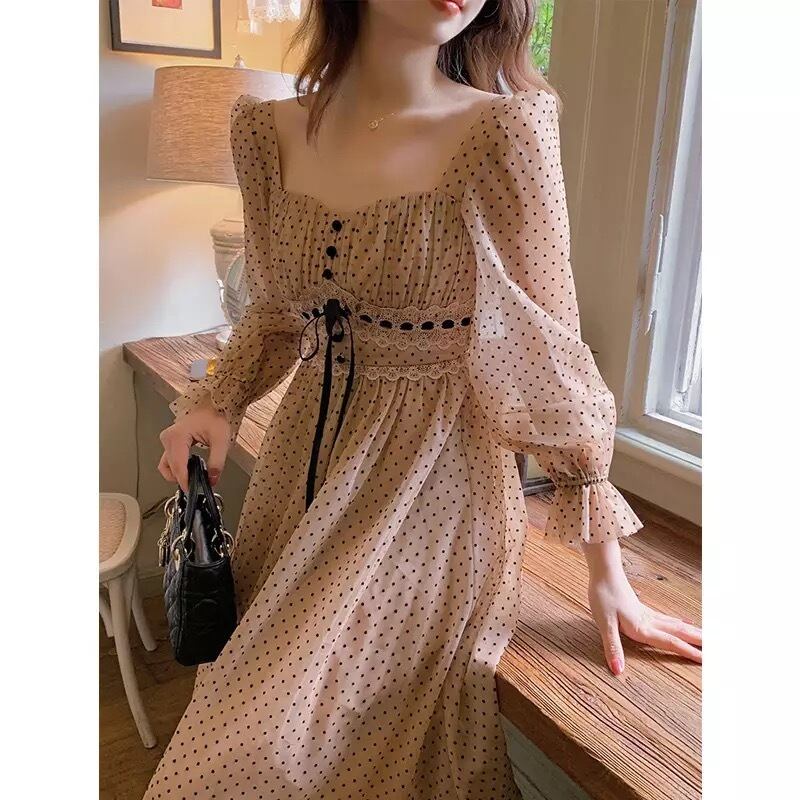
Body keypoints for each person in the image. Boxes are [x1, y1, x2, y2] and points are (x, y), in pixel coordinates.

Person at [147, 1, 702, 797]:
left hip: (434, 488)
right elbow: (275, 311)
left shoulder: (506, 131)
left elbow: (550, 347)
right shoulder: (264, 132)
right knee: (246, 712)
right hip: (297, 478)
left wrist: (605, 568)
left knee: (264, 750)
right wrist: (218, 401)